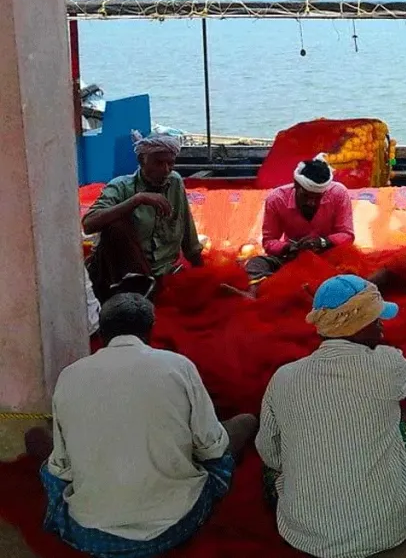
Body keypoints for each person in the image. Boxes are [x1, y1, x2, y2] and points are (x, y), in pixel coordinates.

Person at [39, 293, 258, 557]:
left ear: (102, 329)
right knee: (245, 423)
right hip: (175, 524)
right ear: (150, 330)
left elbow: (61, 469)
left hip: (90, 532)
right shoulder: (178, 366)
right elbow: (212, 448)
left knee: (39, 444)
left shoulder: (69, 376)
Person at [256, 275, 406, 558]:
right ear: (358, 325)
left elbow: (269, 451)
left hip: (305, 534)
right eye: (376, 319)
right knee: (404, 433)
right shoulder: (389, 364)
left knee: (273, 469)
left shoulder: (283, 377)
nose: (382, 325)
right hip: (388, 527)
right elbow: (404, 388)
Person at [82, 131, 203, 303]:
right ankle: (139, 291)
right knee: (117, 226)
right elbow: (88, 224)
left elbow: (187, 229)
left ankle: (151, 289)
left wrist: (201, 273)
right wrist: (137, 200)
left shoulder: (174, 181)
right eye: (159, 163)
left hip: (162, 273)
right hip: (121, 274)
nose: (166, 170)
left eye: (171, 163)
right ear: (141, 160)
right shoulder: (121, 186)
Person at [244, 155, 355, 288]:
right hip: (291, 258)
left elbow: (347, 234)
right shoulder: (276, 199)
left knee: (352, 268)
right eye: (306, 196)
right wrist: (289, 248)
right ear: (296, 185)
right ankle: (257, 291)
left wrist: (321, 242)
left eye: (317, 198)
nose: (311, 202)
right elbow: (269, 242)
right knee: (256, 264)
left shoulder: (339, 193)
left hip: (329, 256)